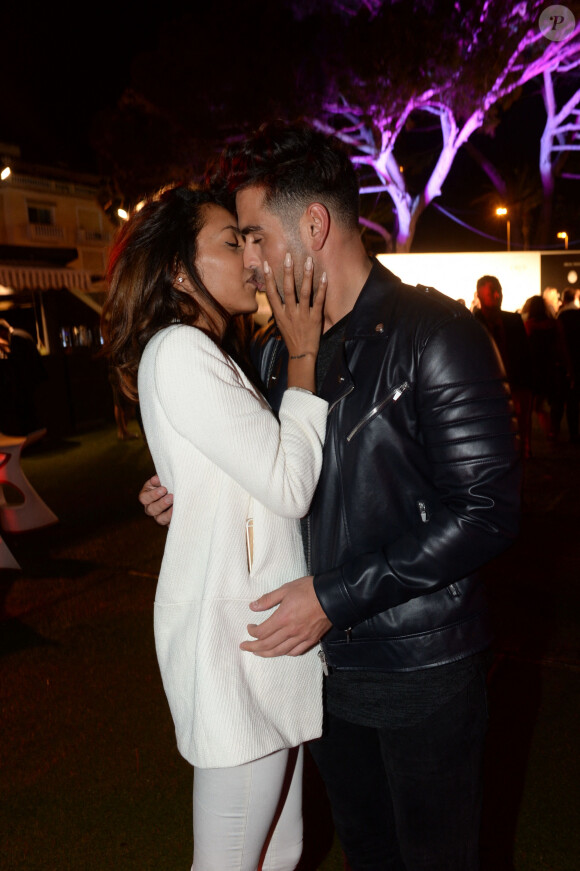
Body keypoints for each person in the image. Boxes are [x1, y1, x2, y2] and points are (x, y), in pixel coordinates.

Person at [140, 121, 522, 871]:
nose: (248, 262)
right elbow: (280, 473)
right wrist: (195, 490)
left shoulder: (437, 333)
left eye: (253, 236)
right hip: (319, 674)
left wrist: (335, 596)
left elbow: (486, 510)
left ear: (312, 225)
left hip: (423, 669)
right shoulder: (279, 350)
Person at [101, 183, 329, 871]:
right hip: (236, 643)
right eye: (233, 242)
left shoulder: (207, 352)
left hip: (257, 634)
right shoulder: (181, 351)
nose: (252, 257)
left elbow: (232, 471)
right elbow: (290, 483)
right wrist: (304, 356)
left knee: (280, 849)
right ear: (178, 269)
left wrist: (180, 493)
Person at [473, 275, 533, 458]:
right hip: (488, 386)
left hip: (515, 381)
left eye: (498, 291)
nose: (498, 296)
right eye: (493, 292)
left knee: (519, 420)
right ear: (481, 296)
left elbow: (524, 354)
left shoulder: (513, 321)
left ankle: (522, 449)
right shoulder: (473, 324)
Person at [523, 294, 568, 443]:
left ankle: (546, 433)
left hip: (535, 368)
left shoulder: (529, 326)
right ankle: (553, 430)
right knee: (555, 402)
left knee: (534, 406)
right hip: (552, 367)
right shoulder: (554, 324)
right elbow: (562, 346)